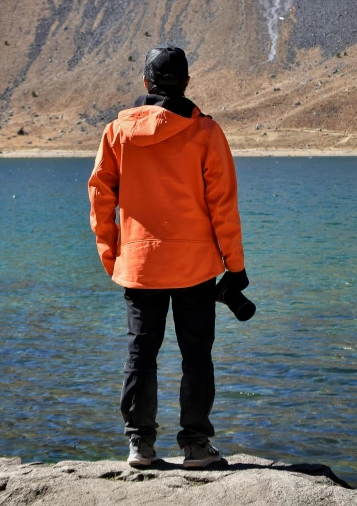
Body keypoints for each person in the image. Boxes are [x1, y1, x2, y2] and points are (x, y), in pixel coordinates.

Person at [88, 44, 247, 469]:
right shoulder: (206, 132)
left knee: (141, 353)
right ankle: (195, 446)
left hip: (139, 265)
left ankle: (140, 446)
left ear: (145, 83)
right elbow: (223, 206)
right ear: (187, 84)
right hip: (196, 266)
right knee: (196, 355)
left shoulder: (116, 133)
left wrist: (113, 257)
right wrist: (236, 266)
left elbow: (101, 200)